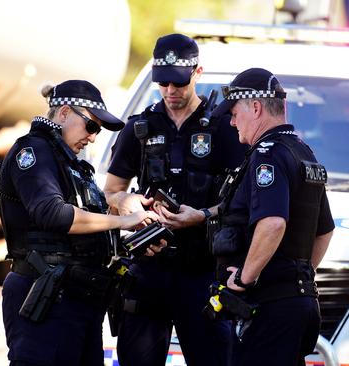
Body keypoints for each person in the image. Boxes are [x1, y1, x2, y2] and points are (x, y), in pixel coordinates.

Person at [0, 80, 163, 366]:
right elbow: (53, 214)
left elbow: (84, 232)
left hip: (78, 301)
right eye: (91, 126)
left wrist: (132, 232)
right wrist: (121, 220)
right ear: (63, 113)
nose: (93, 137)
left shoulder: (68, 161)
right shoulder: (34, 152)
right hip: (46, 300)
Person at [104, 33, 247, 366]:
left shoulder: (224, 128)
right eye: (163, 82)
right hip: (148, 267)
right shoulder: (139, 127)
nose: (170, 91)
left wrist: (203, 215)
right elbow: (111, 190)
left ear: (198, 72)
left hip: (203, 270)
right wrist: (128, 203)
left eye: (178, 83)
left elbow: (244, 200)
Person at [209, 68, 335, 366]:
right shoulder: (303, 153)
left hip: (270, 307)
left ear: (255, 107)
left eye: (234, 112)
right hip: (299, 303)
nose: (231, 121)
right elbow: (324, 231)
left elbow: (273, 222)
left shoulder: (268, 156)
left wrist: (244, 277)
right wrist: (298, 276)